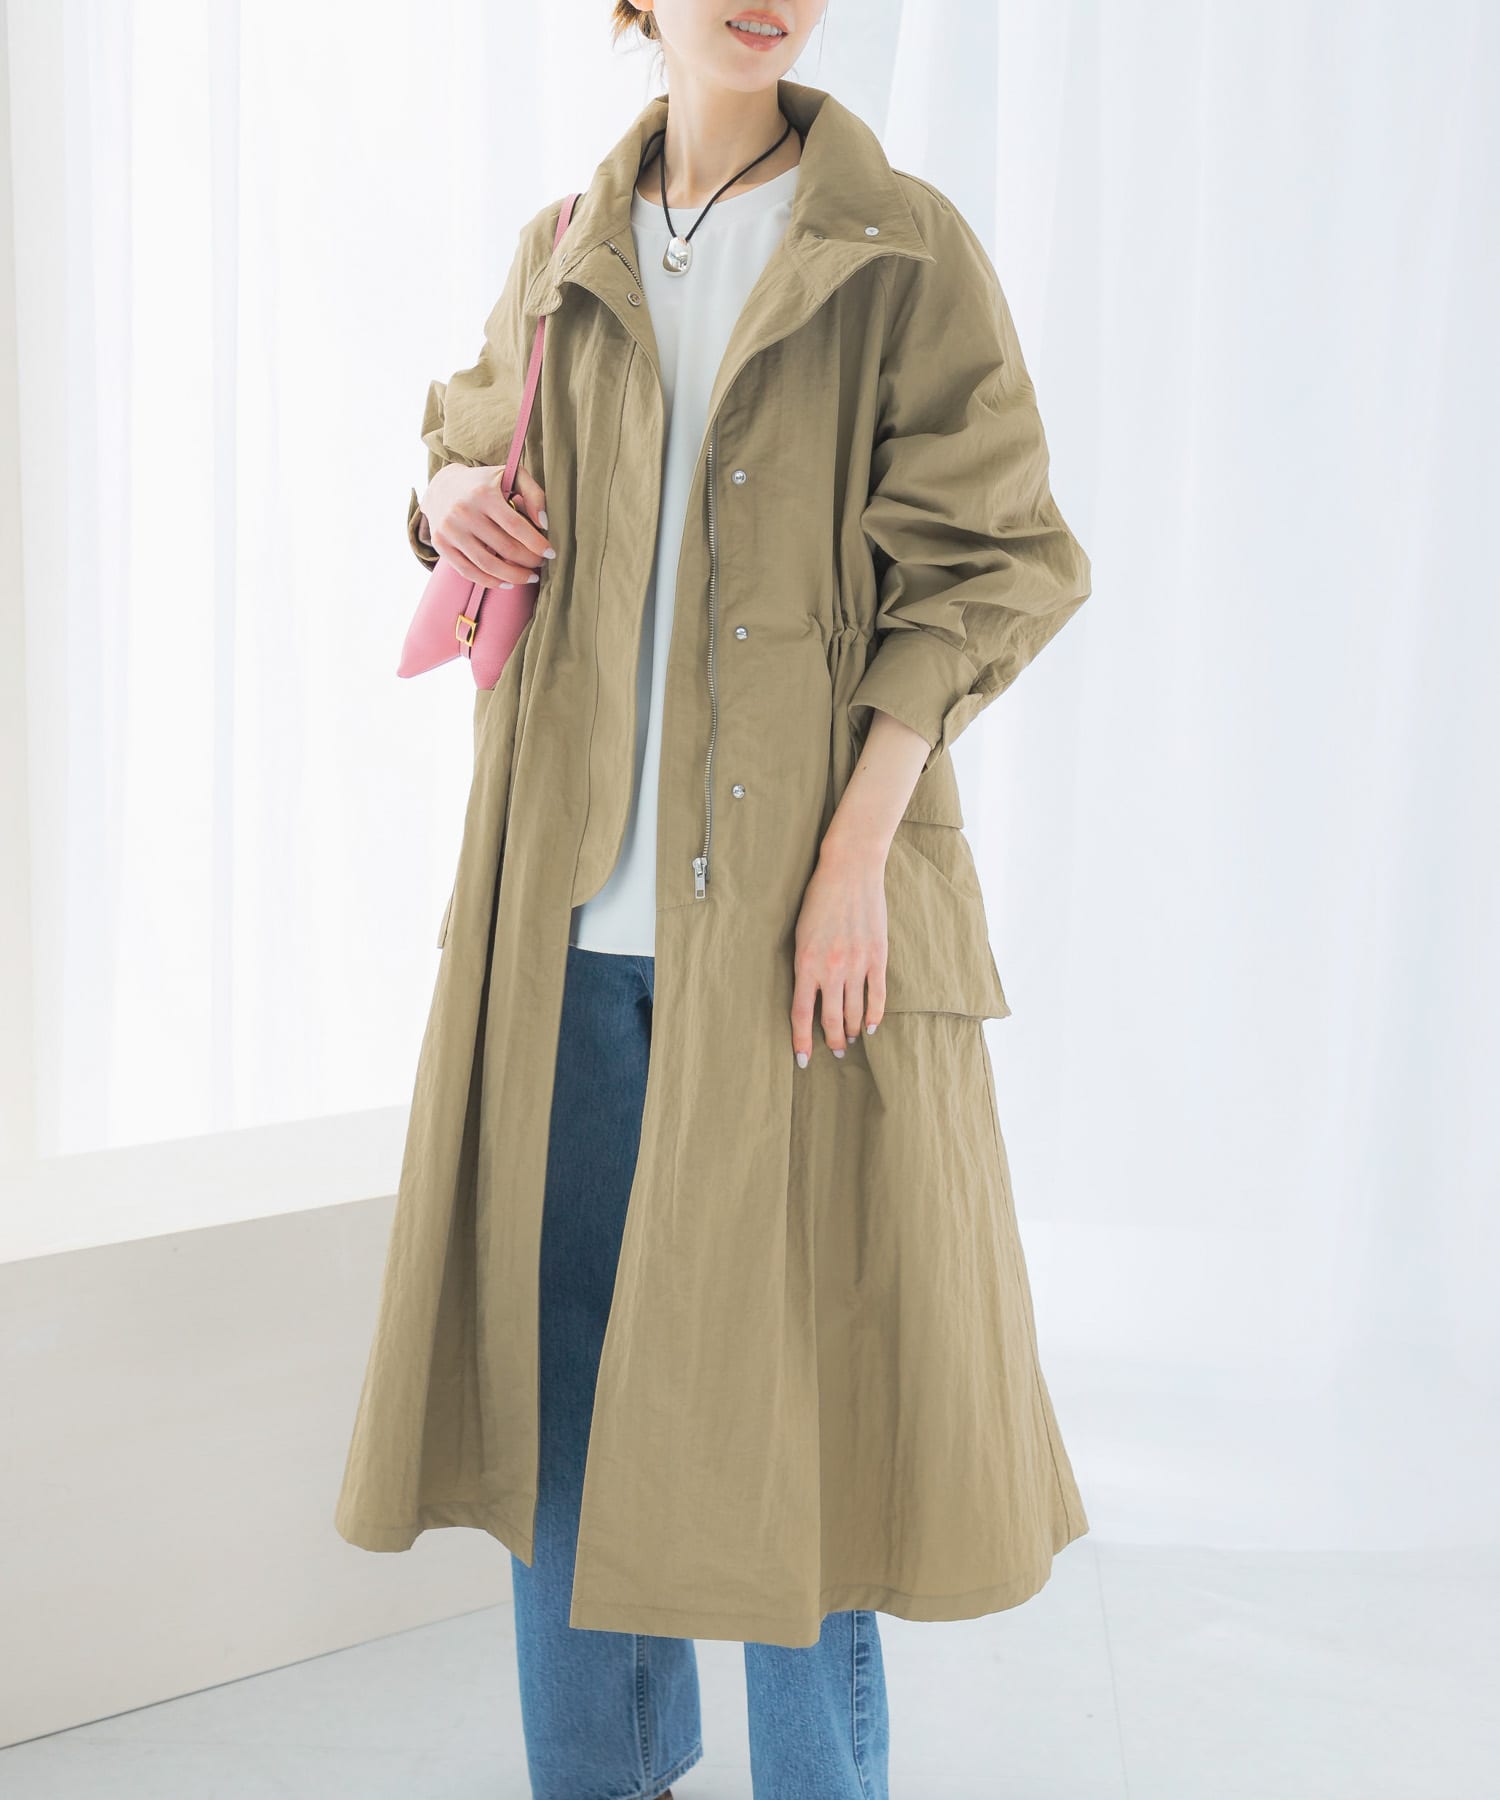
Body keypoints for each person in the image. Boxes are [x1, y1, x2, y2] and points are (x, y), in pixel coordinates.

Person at [335, 5, 1094, 1797]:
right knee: (564, 1416)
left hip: (792, 945)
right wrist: (446, 492)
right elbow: (462, 447)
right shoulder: (565, 248)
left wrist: (853, 865)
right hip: (562, 941)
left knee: (792, 1428)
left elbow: (993, 567)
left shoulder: (901, 248)